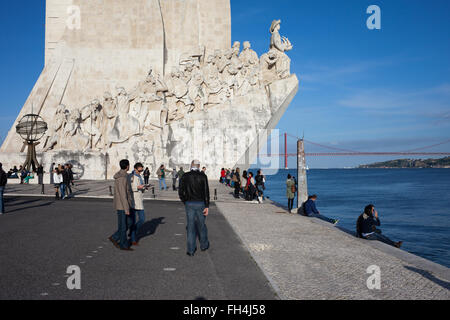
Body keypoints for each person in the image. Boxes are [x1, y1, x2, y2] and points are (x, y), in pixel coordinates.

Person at [178, 159, 210, 256]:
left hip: (189, 203)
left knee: (191, 227)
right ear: (199, 166)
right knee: (202, 225)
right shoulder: (203, 176)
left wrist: (185, 201)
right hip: (200, 203)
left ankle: (191, 250)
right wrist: (207, 205)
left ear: (191, 165)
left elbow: (180, 191)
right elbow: (206, 192)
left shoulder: (185, 176)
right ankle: (204, 245)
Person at [109, 159, 134, 251]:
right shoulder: (122, 178)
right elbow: (123, 194)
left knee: (128, 223)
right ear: (127, 166)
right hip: (122, 205)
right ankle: (123, 244)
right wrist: (126, 208)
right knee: (124, 225)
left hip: (122, 205)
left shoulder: (123, 176)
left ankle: (115, 237)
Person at [129, 162, 147, 246]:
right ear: (136, 169)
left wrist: (144, 187)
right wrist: (138, 187)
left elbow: (141, 186)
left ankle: (133, 232)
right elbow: (131, 188)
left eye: (142, 167)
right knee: (133, 221)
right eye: (140, 168)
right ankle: (133, 238)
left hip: (139, 200)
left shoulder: (140, 176)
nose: (141, 169)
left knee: (142, 219)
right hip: (134, 201)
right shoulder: (132, 176)